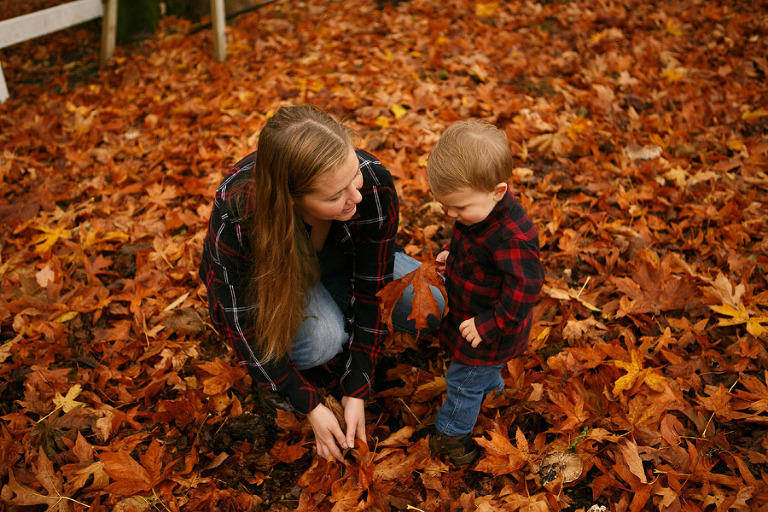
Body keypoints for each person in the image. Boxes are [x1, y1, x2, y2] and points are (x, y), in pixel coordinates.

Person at [198, 105, 441, 462]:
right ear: (292, 201)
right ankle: (328, 325)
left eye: (352, 176)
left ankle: (339, 315)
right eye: (333, 196)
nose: (355, 197)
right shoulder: (239, 215)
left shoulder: (372, 183)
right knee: (321, 341)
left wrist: (358, 384)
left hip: (345, 266)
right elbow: (242, 322)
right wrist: (309, 404)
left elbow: (373, 281)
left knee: (433, 302)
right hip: (284, 282)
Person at [423, 119, 545, 465]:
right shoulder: (477, 212)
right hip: (470, 309)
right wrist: (454, 257)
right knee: (478, 373)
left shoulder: (511, 237)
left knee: (463, 380)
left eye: (459, 208)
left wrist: (489, 324)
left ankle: (450, 435)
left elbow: (525, 288)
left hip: (490, 328)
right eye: (445, 207)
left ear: (498, 191)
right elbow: (472, 245)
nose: (452, 215)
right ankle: (490, 387)